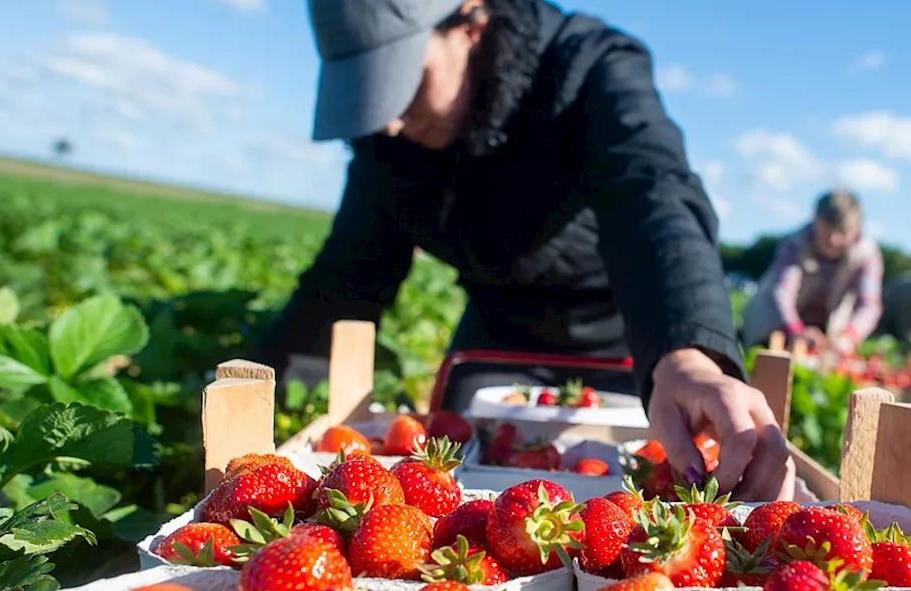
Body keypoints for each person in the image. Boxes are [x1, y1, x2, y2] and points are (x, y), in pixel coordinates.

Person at [253, 0, 795, 501]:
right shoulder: (390, 137)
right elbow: (349, 276)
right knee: (464, 472)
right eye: (367, 94)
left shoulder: (586, 68)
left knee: (650, 468)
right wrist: (270, 394)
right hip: (498, 327)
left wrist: (687, 352)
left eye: (402, 82)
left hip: (627, 328)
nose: (388, 119)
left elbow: (652, 196)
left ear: (471, 23)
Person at [739, 190, 884, 354]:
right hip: (776, 324)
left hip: (829, 333)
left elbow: (869, 304)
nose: (833, 240)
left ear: (856, 229)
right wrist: (795, 330)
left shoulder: (867, 253)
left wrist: (849, 336)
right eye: (827, 230)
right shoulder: (794, 243)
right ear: (815, 221)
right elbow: (782, 292)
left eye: (842, 232)